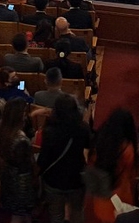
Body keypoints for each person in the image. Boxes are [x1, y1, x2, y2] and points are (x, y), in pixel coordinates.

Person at [38, 94, 93, 223]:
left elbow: (43, 158)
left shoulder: (49, 131)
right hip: (76, 178)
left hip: (53, 179)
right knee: (77, 212)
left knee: (56, 215)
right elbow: (89, 147)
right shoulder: (83, 128)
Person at [88, 109, 138, 223]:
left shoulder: (100, 141)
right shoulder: (127, 149)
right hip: (121, 196)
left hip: (102, 194)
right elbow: (131, 173)